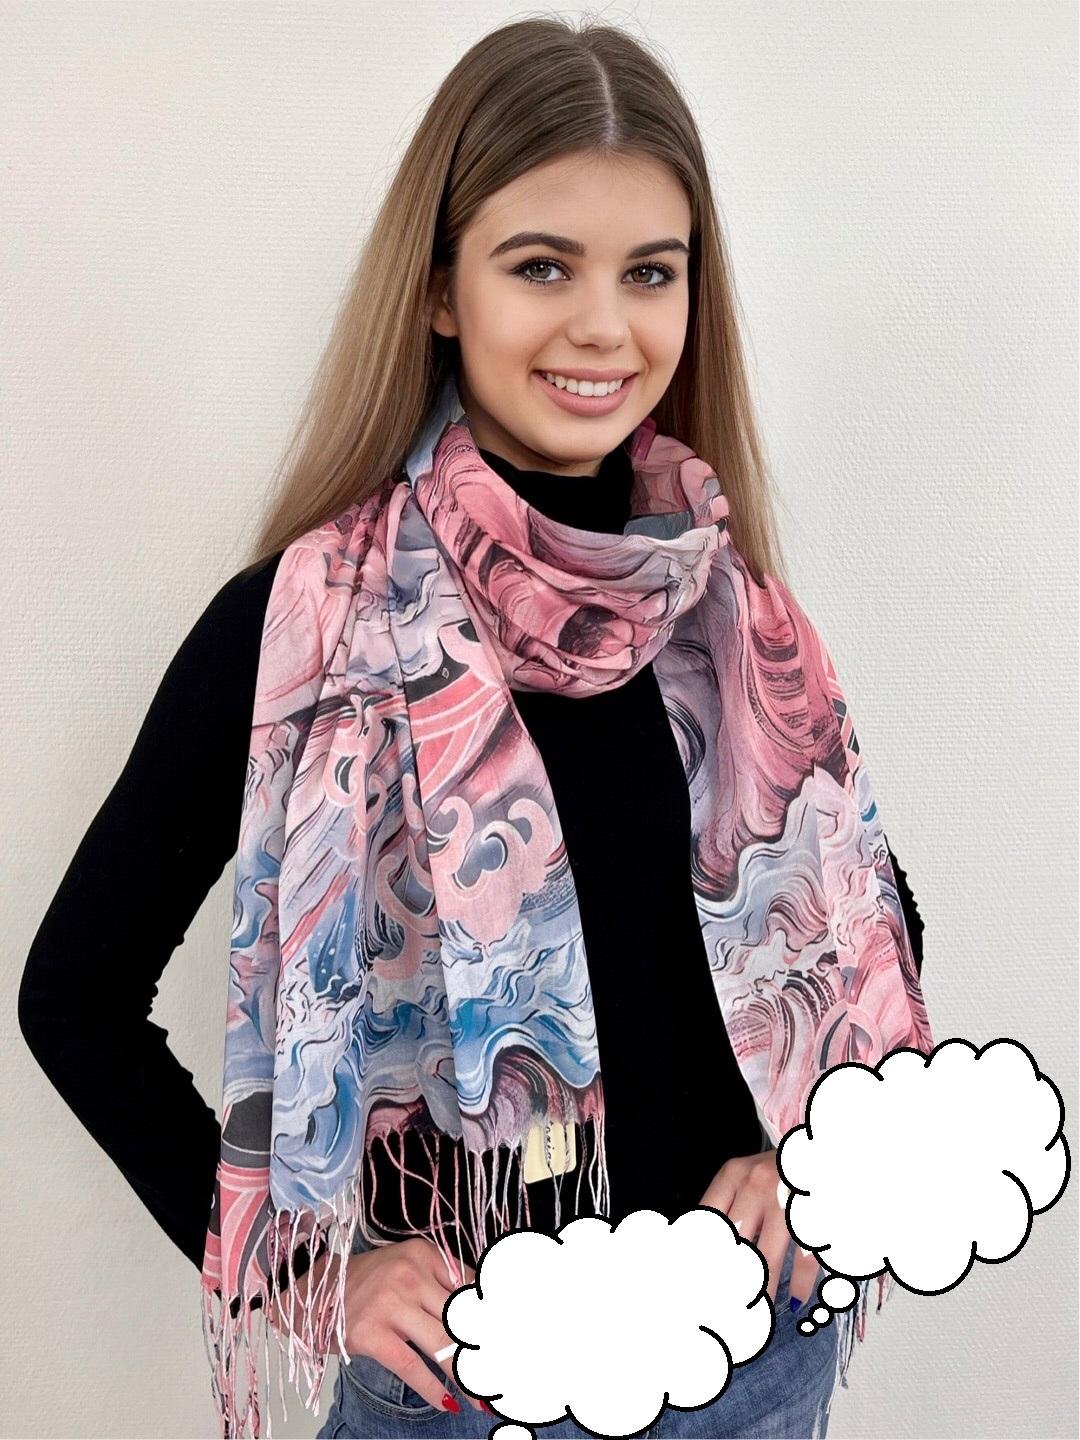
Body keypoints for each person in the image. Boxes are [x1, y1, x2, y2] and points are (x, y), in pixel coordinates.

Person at [18, 17, 929, 1440]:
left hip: (758, 1355)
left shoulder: (728, 610)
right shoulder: (302, 630)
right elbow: (73, 999)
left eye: (650, 272)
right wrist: (311, 1275)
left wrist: (796, 1154)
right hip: (468, 1388)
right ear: (442, 289)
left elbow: (869, 922)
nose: (604, 325)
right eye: (542, 265)